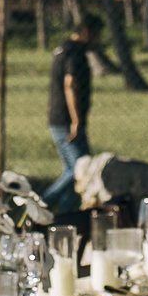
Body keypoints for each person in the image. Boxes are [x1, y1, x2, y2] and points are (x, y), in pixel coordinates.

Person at [43, 14, 102, 210]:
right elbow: (70, 85)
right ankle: (38, 206)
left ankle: (66, 217)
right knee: (81, 169)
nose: (98, 41)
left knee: (73, 170)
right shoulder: (74, 53)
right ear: (87, 33)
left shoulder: (62, 49)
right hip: (66, 121)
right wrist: (76, 120)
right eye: (97, 35)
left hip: (59, 118)